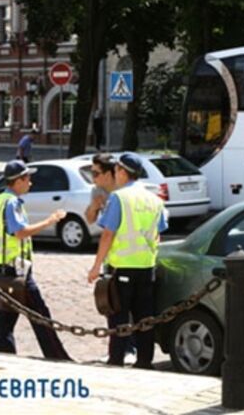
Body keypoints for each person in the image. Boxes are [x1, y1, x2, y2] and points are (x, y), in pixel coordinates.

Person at [0, 160, 71, 360]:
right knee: (39, 314)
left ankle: (6, 355)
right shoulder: (12, 203)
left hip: (1, 266)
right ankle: (57, 356)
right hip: (17, 269)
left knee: (6, 314)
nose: (30, 183)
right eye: (27, 179)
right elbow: (19, 232)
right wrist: (50, 221)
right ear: (17, 181)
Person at [88, 153, 167, 369]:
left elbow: (108, 234)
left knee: (118, 317)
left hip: (122, 266)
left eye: (116, 171)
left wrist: (96, 266)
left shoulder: (119, 198)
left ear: (122, 172)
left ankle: (116, 360)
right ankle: (144, 361)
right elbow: (159, 232)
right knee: (144, 318)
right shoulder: (154, 199)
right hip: (146, 266)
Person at [85, 153, 138, 363]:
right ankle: (117, 348)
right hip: (112, 257)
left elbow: (109, 232)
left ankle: (129, 349)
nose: (93, 177)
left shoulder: (123, 192)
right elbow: (90, 219)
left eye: (96, 173)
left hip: (129, 257)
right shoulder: (97, 191)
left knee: (129, 307)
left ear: (110, 174)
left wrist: (95, 265)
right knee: (111, 305)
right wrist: (94, 207)